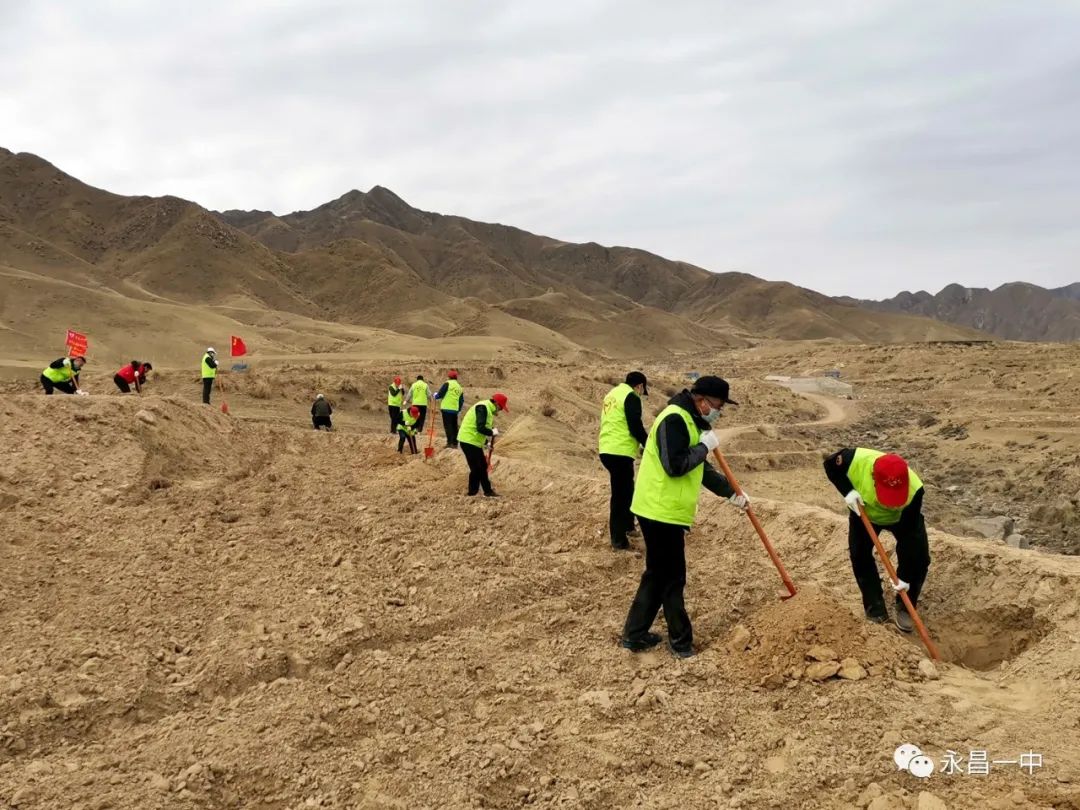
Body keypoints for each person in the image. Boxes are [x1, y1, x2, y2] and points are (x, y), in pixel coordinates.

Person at [621, 376, 747, 658]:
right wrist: (704, 448)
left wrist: (732, 493)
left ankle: (635, 634)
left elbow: (699, 470)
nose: (719, 411)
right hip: (659, 511)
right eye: (717, 405)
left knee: (657, 575)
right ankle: (681, 643)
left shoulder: (691, 422)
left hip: (665, 510)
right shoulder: (675, 419)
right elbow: (676, 466)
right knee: (673, 578)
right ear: (701, 400)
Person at [824, 448, 929, 632]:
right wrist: (848, 492)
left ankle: (906, 606)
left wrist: (905, 578)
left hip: (901, 519)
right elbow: (830, 466)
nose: (891, 503)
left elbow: (909, 540)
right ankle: (875, 609)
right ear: (874, 478)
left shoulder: (915, 491)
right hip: (863, 512)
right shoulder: (853, 460)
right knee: (860, 554)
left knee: (918, 559)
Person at [598, 371, 649, 550]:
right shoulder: (631, 396)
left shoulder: (612, 395)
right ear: (640, 386)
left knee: (627, 489)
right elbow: (635, 425)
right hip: (619, 451)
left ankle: (628, 527)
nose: (642, 393)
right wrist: (649, 444)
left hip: (606, 449)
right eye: (643, 390)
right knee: (620, 496)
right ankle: (619, 541)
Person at [458, 393, 508, 497]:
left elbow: (480, 429)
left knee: (482, 466)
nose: (500, 411)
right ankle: (476, 492)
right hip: (468, 440)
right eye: (501, 408)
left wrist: (487, 443)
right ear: (497, 404)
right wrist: (491, 432)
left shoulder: (487, 409)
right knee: (477, 468)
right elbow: (480, 428)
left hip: (473, 441)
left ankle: (482, 491)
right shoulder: (483, 407)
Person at [433, 370, 465, 448]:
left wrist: (435, 395)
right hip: (455, 410)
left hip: (446, 408)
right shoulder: (459, 387)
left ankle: (449, 443)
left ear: (449, 377)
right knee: (454, 426)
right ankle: (455, 443)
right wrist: (459, 409)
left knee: (448, 426)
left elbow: (440, 394)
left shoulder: (447, 384)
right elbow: (461, 400)